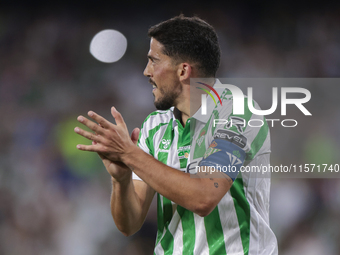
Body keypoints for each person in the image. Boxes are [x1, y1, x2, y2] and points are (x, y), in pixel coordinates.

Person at [74, 15, 278, 255]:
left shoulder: (238, 114)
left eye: (153, 61)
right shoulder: (154, 126)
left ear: (183, 70)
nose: (146, 71)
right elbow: (129, 224)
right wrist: (121, 179)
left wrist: (129, 154)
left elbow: (204, 197)